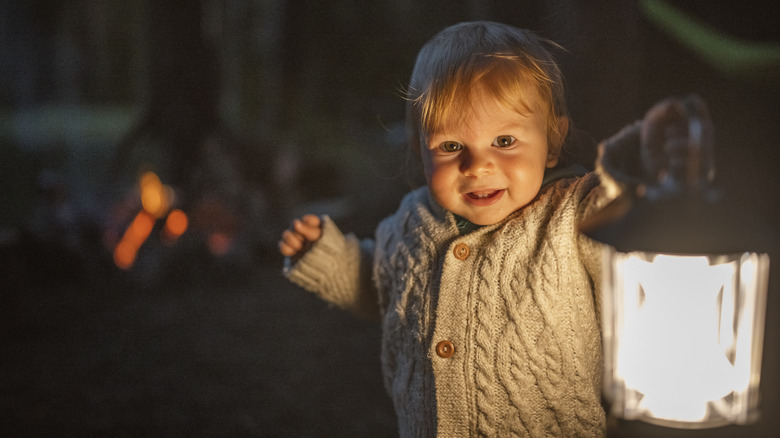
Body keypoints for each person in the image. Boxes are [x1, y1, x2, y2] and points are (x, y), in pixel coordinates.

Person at [278, 21, 706, 437]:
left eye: (504, 142)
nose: (477, 165)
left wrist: (649, 164)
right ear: (419, 151)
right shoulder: (411, 221)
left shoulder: (572, 213)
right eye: (450, 147)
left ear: (553, 140)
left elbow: (625, 209)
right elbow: (385, 291)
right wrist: (329, 257)